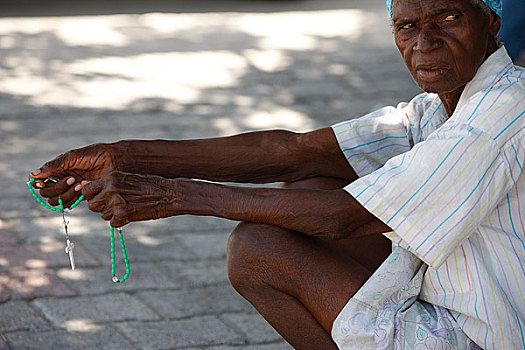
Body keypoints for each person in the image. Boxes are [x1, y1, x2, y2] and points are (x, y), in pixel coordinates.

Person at [30, 0, 524, 348]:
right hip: (458, 301)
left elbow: (344, 218)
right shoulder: (437, 110)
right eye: (406, 27)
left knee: (260, 250)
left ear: (493, 24)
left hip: (488, 334)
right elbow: (293, 152)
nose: (425, 42)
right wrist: (119, 157)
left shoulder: (502, 114)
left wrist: (170, 196)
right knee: (305, 188)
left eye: (448, 18)